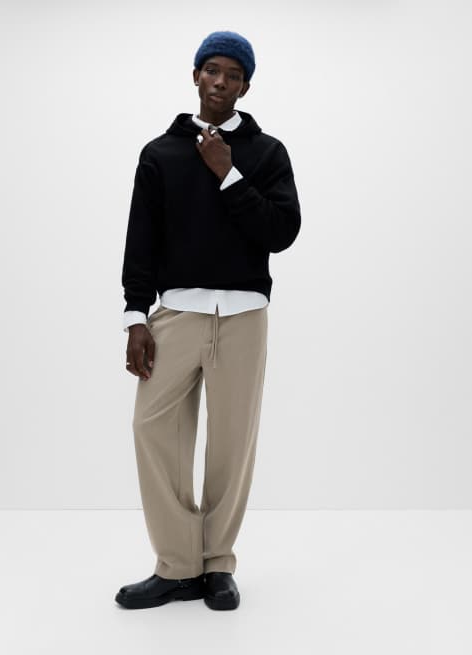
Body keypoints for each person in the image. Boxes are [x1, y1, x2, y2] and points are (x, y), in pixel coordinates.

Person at [115, 30, 301, 611]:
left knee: (232, 443)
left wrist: (229, 174)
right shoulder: (160, 153)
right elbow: (141, 240)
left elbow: (282, 232)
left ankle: (217, 563)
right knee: (153, 428)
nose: (221, 82)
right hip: (176, 316)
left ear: (246, 86)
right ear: (195, 75)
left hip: (244, 318)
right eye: (212, 70)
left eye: (234, 75)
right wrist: (136, 316)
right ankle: (177, 566)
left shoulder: (267, 154)